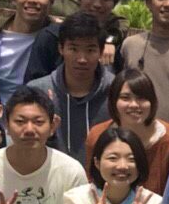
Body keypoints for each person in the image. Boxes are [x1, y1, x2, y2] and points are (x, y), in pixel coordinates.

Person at [83, 69, 169, 196]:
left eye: (141, 98)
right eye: (125, 98)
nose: (134, 105)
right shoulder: (97, 135)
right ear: (113, 101)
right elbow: (92, 184)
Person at [28, 12, 114, 159]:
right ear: (61, 49)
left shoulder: (116, 92)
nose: (82, 59)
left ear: (101, 52)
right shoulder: (36, 91)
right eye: (73, 49)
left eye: (90, 50)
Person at [73, 0, 126, 66]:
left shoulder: (119, 27)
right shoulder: (58, 33)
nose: (97, 4)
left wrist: (108, 42)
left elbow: (119, 30)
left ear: (114, 3)